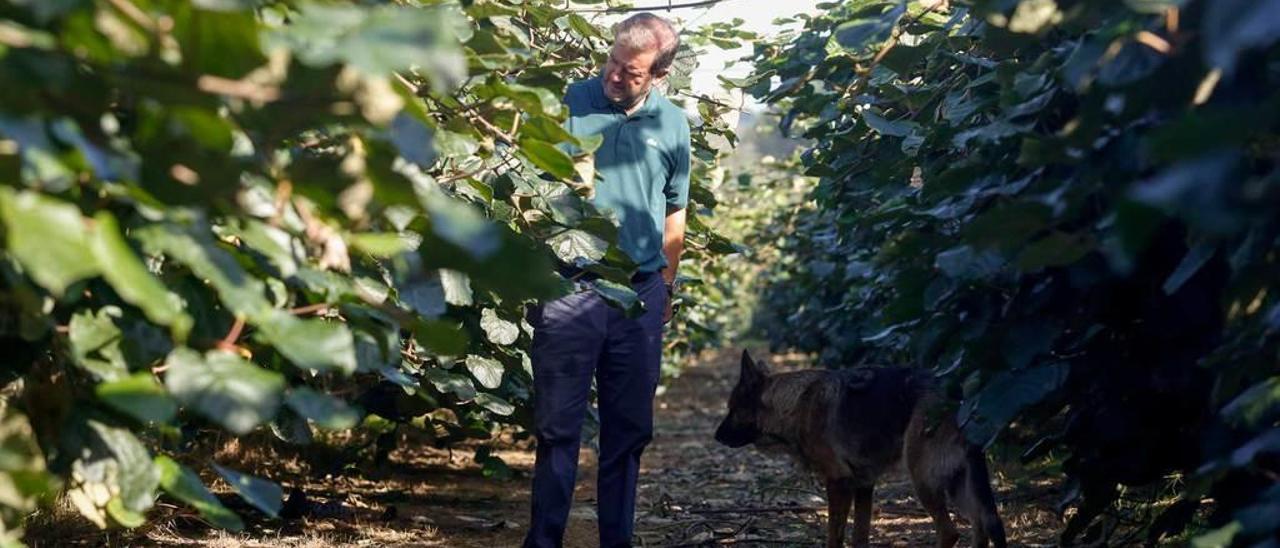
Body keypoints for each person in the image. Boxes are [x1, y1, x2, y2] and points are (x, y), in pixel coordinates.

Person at [522, 12, 690, 548]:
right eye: (613, 62)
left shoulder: (674, 124)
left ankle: (616, 541)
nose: (615, 77)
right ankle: (544, 541)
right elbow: (528, 187)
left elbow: (675, 212)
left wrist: (666, 284)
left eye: (632, 72)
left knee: (628, 433)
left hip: (639, 294)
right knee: (557, 428)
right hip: (570, 285)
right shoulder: (571, 102)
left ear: (659, 75)